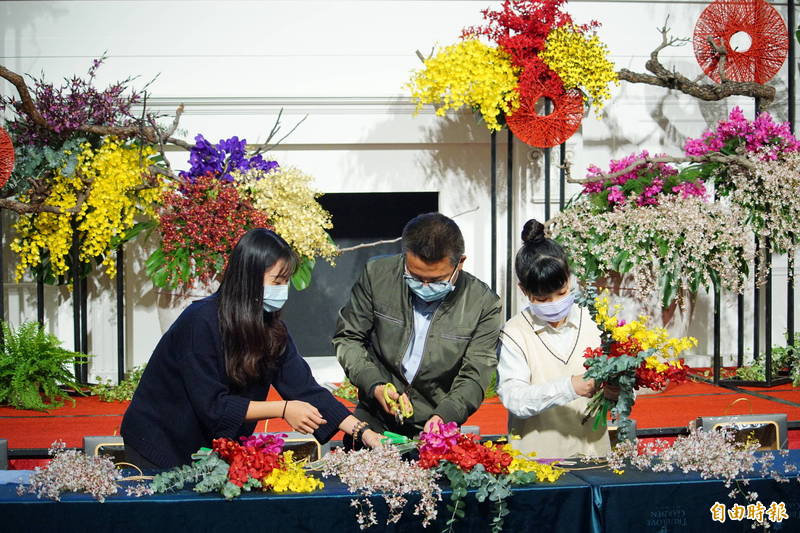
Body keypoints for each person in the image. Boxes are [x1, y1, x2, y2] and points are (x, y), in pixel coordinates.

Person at [122, 228, 381, 468]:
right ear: (248, 277)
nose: (283, 290)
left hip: (209, 446)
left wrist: (362, 431)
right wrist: (283, 409)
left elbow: (305, 389)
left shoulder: (271, 328)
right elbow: (213, 406)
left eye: (286, 281)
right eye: (277, 281)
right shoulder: (200, 321)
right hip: (159, 440)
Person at [334, 212, 502, 442]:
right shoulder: (377, 276)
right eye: (414, 276)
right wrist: (375, 385)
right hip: (373, 418)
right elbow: (348, 338)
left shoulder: (483, 304)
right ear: (406, 256)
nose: (424, 286)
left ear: (460, 263)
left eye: (436, 280)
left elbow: (476, 373)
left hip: (436, 425)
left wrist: (445, 416)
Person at [497, 219, 612, 458]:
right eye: (542, 299)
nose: (554, 304)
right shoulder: (515, 332)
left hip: (594, 456)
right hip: (536, 461)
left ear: (570, 279)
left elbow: (621, 393)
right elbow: (514, 399)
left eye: (561, 293)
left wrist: (617, 389)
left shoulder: (595, 321)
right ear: (523, 290)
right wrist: (569, 387)